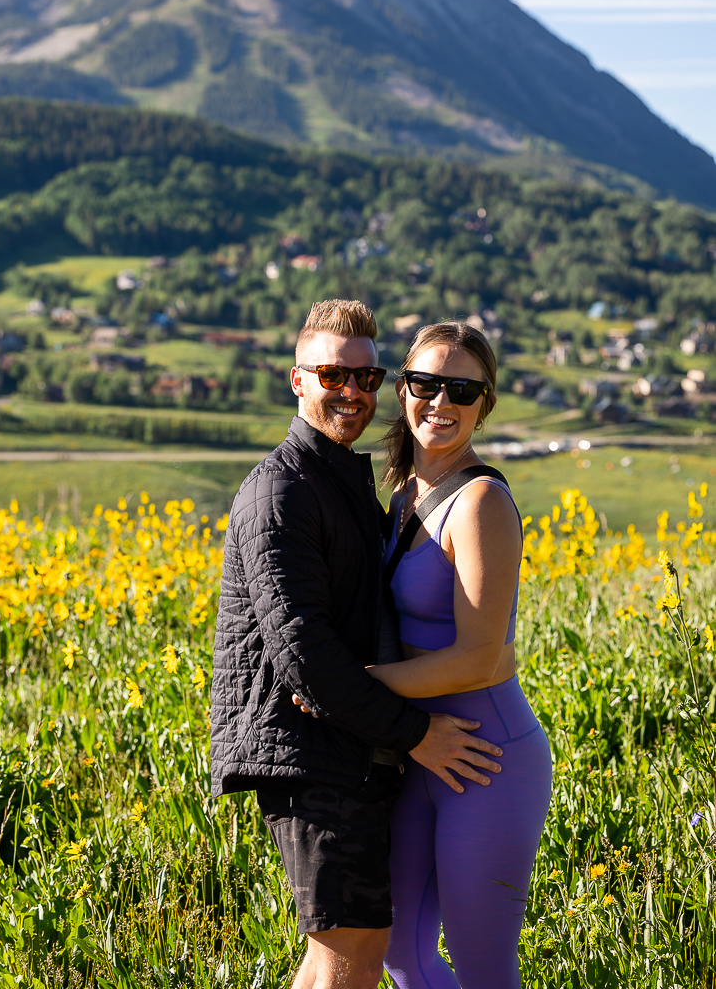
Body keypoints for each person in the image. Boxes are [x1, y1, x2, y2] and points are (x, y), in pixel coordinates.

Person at [210, 300, 504, 989]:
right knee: (357, 947)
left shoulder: (339, 481)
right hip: (310, 756)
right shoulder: (281, 490)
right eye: (332, 375)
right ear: (297, 380)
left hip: (340, 750)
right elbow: (304, 654)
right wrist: (414, 734)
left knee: (337, 952)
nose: (351, 391)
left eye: (366, 379)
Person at [372, 321, 553, 989]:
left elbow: (482, 659)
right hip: (423, 750)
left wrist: (361, 688)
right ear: (402, 390)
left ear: (484, 404)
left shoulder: (479, 502)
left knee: (482, 968)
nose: (439, 403)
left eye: (461, 389)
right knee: (397, 950)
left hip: (488, 761)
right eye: (424, 383)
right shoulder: (402, 497)